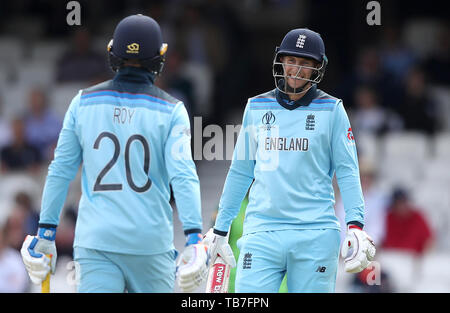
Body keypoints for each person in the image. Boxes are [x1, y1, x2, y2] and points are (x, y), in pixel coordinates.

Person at [20, 14, 208, 293]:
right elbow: (183, 176)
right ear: (158, 58)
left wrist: (46, 231)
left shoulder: (83, 102)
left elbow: (60, 170)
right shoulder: (172, 109)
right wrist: (194, 237)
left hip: (96, 241)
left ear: (113, 54)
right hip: (149, 242)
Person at [203, 28, 376, 292]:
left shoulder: (333, 110)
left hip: (315, 233)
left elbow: (348, 171)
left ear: (318, 68)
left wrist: (355, 225)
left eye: (305, 63)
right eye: (291, 60)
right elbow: (240, 171)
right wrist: (220, 228)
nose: (296, 68)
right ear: (281, 61)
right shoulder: (256, 107)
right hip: (261, 231)